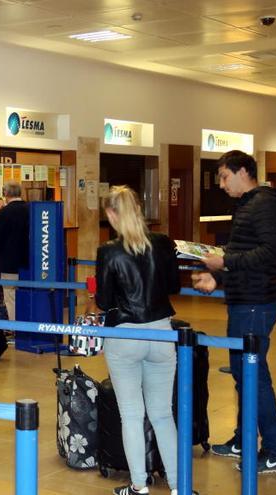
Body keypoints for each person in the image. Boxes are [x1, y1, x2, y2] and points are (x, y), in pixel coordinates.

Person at [193, 150, 276, 475]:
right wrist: (217, 276)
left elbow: (271, 255)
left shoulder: (264, 204)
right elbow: (242, 254)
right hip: (243, 299)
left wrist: (226, 263)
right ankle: (244, 439)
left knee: (254, 376)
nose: (221, 185)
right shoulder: (247, 205)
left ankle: (275, 450)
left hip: (255, 303)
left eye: (224, 176)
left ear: (243, 172)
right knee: (241, 373)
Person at [96, 185, 188, 495]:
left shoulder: (108, 251)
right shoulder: (163, 244)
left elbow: (103, 300)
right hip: (162, 332)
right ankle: (179, 486)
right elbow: (174, 285)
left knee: (131, 416)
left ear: (111, 213)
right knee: (163, 415)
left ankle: (138, 486)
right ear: (138, 208)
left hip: (124, 336)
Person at [0, 181, 29, 321]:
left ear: (5, 193)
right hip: (30, 263)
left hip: (9, 264)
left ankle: (16, 330)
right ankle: (28, 328)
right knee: (27, 296)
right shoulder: (31, 210)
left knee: (10, 298)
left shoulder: (2, 214)